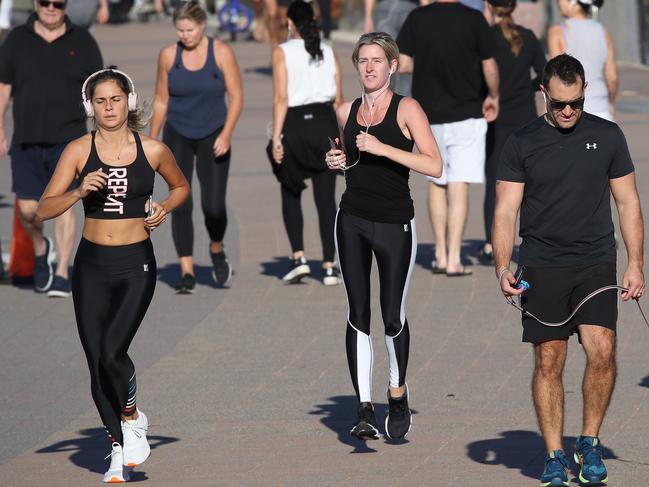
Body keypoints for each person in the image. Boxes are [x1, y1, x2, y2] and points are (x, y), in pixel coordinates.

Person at [493, 54, 644, 487]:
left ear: (583, 95)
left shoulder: (607, 135)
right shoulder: (522, 142)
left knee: (603, 352)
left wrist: (635, 263)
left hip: (596, 260)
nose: (567, 112)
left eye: (575, 103)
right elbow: (505, 211)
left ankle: (590, 443)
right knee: (549, 359)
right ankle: (555, 454)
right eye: (560, 103)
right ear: (544, 94)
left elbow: (629, 202)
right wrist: (503, 265)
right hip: (542, 264)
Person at [36, 68, 189, 483]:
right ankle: (118, 451)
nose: (108, 107)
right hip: (91, 266)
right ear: (90, 107)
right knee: (96, 363)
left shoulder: (153, 149)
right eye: (100, 101)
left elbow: (180, 187)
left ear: (129, 101)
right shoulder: (77, 152)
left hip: (135, 264)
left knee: (111, 352)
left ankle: (132, 415)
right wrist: (79, 191)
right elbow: (43, 209)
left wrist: (163, 208)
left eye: (115, 99)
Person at [325, 32, 442, 439]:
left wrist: (383, 148)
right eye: (363, 61)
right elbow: (350, 160)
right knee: (358, 313)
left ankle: (396, 391)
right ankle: (363, 409)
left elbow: (435, 165)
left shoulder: (407, 108)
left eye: (378, 60)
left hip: (395, 223)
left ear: (392, 66)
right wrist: (337, 159)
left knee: (392, 315)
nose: (370, 67)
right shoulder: (347, 109)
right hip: (352, 219)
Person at [0, 0, 103, 296]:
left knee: (63, 205)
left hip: (68, 140)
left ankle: (61, 273)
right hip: (26, 138)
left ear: (65, 5)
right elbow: (3, 86)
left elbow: (97, 87)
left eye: (57, 3)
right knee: (30, 211)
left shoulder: (82, 40)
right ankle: (40, 247)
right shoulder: (17, 40)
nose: (51, 8)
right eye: (45, 2)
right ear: (36, 3)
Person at [397, 0, 499, 276]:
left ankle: (440, 254)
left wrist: (428, 64)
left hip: (428, 113)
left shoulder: (417, 18)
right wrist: (494, 95)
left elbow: (403, 63)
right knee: (459, 183)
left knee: (436, 180)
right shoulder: (474, 19)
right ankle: (455, 258)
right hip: (467, 110)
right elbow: (489, 66)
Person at [150, 1, 243, 293]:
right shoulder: (168, 55)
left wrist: (226, 134)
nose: (185, 34)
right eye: (180, 29)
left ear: (202, 26)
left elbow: (236, 96)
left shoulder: (222, 52)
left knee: (213, 206)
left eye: (190, 29)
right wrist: (152, 140)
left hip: (213, 134)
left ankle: (216, 247)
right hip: (177, 133)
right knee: (181, 201)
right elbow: (162, 99)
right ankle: (187, 269)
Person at [271, 0, 343, 285]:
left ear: (289, 23)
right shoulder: (328, 50)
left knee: (290, 189)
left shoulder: (282, 52)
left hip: (296, 124)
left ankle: (299, 256)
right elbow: (339, 98)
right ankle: (328, 265)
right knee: (326, 199)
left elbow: (281, 98)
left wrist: (276, 137)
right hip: (325, 122)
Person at [480, 0, 545, 263]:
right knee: (531, 182)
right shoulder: (528, 37)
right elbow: (544, 73)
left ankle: (489, 243)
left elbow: (478, 74)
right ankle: (532, 238)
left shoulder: (485, 39)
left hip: (495, 118)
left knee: (495, 182)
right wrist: (527, 87)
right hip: (525, 118)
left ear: (488, 6)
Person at [547, 0, 616, 121]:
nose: (558, 3)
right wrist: (611, 103)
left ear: (573, 2)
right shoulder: (603, 32)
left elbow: (556, 76)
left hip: (570, 112)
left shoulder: (557, 32)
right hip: (602, 108)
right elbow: (612, 77)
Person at [363, 0, 429, 97]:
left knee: (390, 63)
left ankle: (396, 105)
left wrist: (368, 16)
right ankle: (392, 104)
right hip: (401, 9)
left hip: (397, 10)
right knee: (392, 62)